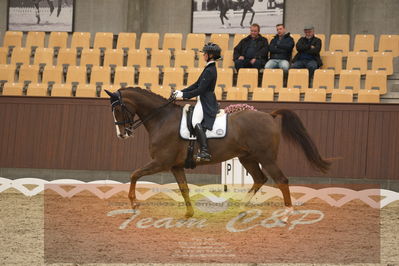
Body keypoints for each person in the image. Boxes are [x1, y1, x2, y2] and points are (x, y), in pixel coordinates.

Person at [173, 43, 220, 162]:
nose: (203, 55)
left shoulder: (210, 70)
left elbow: (200, 89)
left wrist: (183, 95)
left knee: (195, 121)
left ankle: (204, 151)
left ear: (210, 55)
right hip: (203, 99)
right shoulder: (208, 68)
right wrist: (181, 91)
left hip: (206, 101)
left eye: (205, 53)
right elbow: (196, 84)